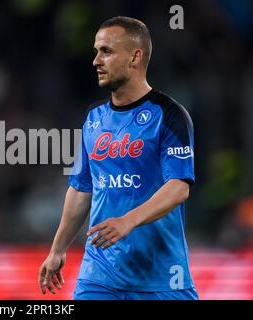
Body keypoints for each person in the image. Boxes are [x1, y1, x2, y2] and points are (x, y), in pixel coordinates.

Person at [38, 16, 198, 300]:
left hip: (161, 279)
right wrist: (57, 250)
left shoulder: (170, 115)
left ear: (135, 57)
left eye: (107, 51)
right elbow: (80, 189)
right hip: (99, 276)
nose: (96, 61)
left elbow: (179, 187)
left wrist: (128, 221)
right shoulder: (93, 117)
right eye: (96, 51)